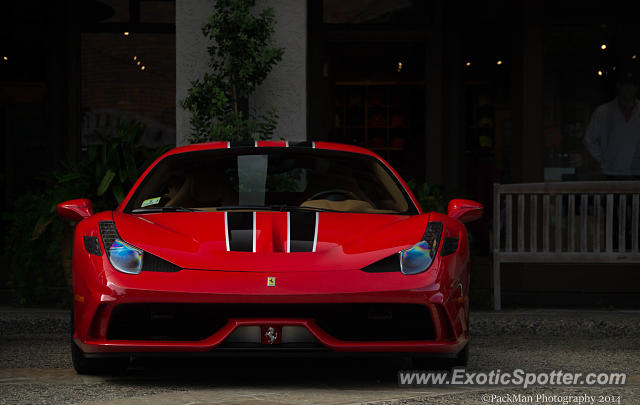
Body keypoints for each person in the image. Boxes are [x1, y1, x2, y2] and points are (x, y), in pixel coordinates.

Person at [584, 69, 640, 180]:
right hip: (611, 172)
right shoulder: (603, 112)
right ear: (618, 87)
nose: (628, 89)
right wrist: (604, 159)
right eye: (625, 85)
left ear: (636, 87)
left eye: (632, 85)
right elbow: (589, 140)